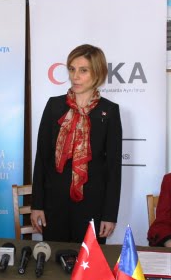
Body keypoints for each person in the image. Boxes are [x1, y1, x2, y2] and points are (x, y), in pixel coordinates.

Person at [31, 44, 122, 243]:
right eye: (72, 69)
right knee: (54, 260)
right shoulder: (54, 106)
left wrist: (109, 215)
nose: (75, 76)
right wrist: (37, 204)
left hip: (93, 207)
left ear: (97, 73)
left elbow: (113, 168)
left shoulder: (109, 111)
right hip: (54, 205)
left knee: (88, 261)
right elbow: (42, 159)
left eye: (83, 70)